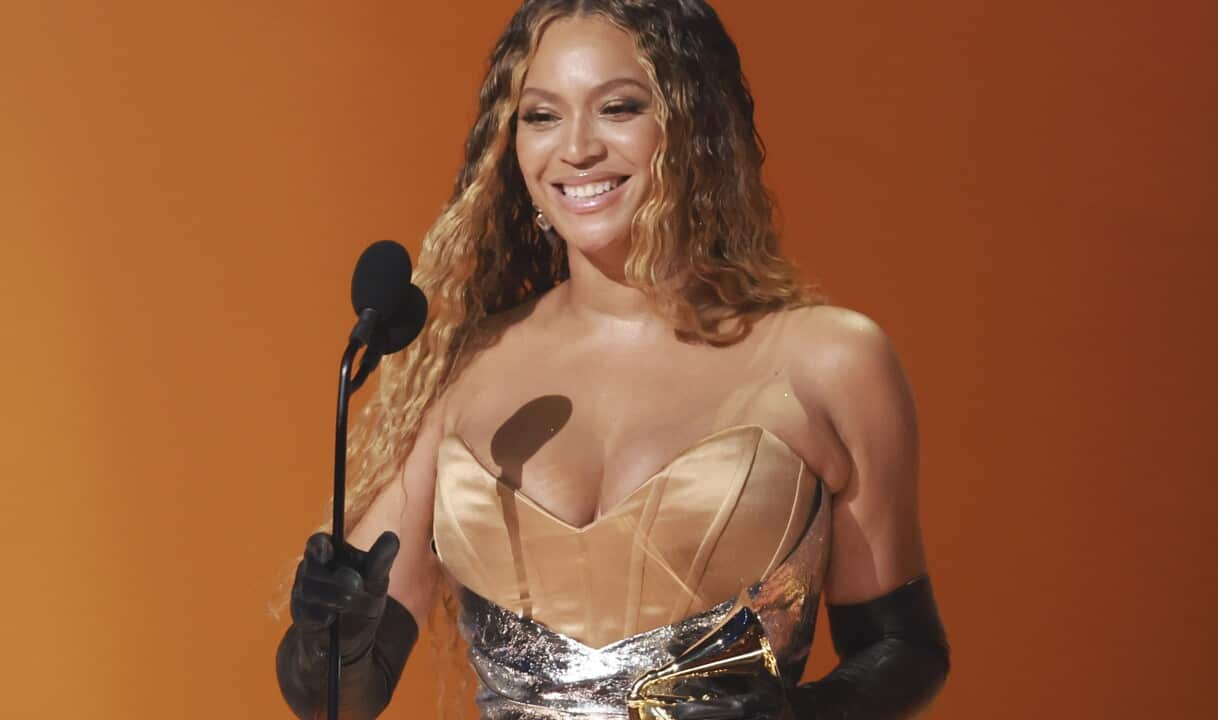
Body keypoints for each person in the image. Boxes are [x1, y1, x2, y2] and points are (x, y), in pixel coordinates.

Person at [276, 1, 950, 718]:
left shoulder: (831, 362)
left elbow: (904, 648)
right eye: (541, 116)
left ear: (693, 130)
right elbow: (339, 700)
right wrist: (330, 639)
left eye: (618, 108)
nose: (576, 148)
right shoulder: (468, 362)